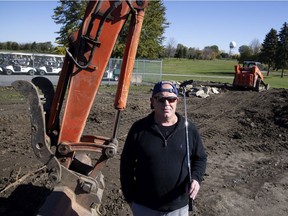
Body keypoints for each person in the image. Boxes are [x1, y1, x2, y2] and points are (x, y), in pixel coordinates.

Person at [120, 81, 207, 216]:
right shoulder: (138, 129)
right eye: (161, 99)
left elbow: (200, 158)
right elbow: (126, 166)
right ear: (152, 101)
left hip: (178, 207)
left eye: (171, 99)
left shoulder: (189, 129)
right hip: (144, 207)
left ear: (177, 101)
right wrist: (130, 199)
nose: (166, 104)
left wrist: (196, 178)